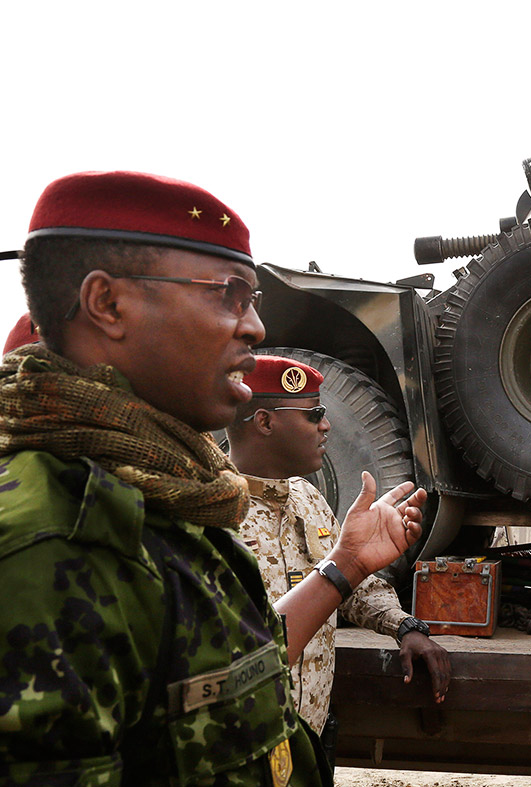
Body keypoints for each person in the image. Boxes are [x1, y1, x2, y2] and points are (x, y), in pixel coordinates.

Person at [0, 170, 425, 786]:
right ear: (108, 304)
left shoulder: (176, 500)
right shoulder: (48, 545)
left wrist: (347, 565)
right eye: (229, 293)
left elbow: (239, 672)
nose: (253, 326)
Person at [226, 354, 451, 741]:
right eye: (314, 414)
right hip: (238, 744)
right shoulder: (212, 510)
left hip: (306, 739)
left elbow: (348, 586)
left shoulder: (307, 499)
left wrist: (404, 626)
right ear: (264, 421)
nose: (326, 425)